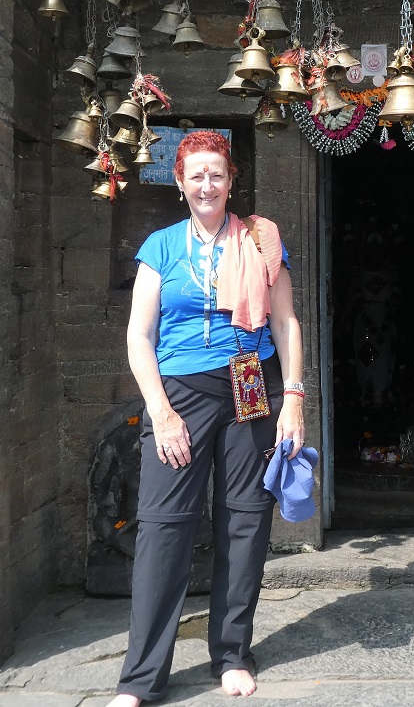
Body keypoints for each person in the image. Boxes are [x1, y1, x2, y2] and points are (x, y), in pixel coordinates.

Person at [108, 130, 305, 704]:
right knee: (165, 527)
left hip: (250, 381)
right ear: (179, 182)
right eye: (196, 174)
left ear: (230, 178)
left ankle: (232, 654)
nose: (207, 184)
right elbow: (139, 337)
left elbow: (286, 323)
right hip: (182, 393)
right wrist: (162, 414)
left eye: (216, 173)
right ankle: (141, 678)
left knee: (245, 520)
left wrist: (293, 396)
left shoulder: (261, 241)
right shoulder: (161, 247)